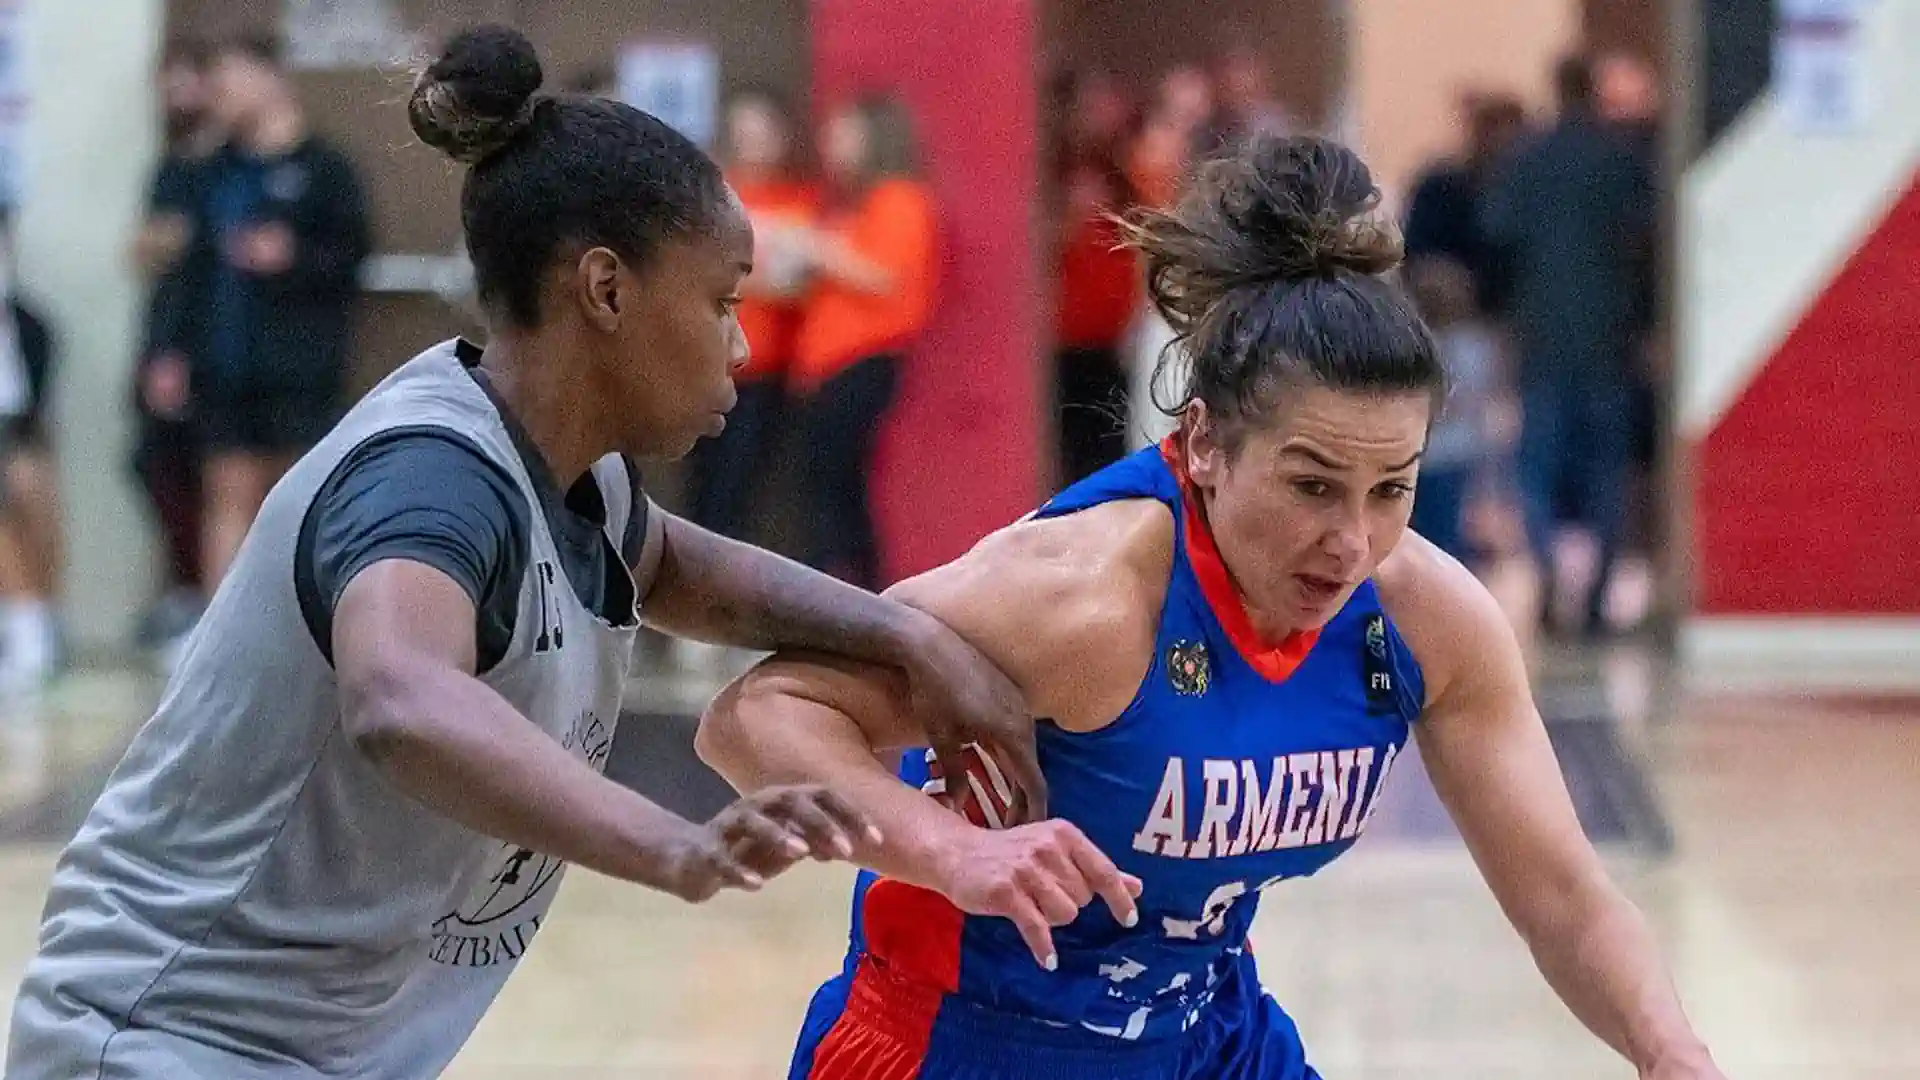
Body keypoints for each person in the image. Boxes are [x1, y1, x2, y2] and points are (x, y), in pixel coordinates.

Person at [4, 25, 1041, 1079]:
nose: (737, 342)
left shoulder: (580, 473)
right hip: (162, 1044)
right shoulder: (430, 478)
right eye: (721, 300)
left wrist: (912, 636)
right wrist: (667, 842)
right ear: (605, 291)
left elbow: (682, 568)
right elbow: (398, 698)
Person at [698, 135, 1728, 1080]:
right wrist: (951, 853)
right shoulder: (1081, 596)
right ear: (1202, 446)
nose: (1352, 540)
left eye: (1391, 489)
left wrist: (1669, 1051)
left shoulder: (1421, 616)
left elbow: (1566, 899)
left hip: (1206, 1036)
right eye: (1312, 485)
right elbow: (750, 723)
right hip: (965, 1044)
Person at [194, 36, 372, 591]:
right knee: (226, 495)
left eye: (229, 82)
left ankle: (306, 630)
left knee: (304, 500)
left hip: (300, 363)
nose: (218, 97)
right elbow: (190, 269)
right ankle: (215, 633)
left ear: (270, 78)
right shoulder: (214, 170)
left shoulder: (326, 169)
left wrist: (291, 256)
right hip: (227, 360)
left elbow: (351, 259)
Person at [785, 94, 939, 590]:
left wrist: (813, 244)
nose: (831, 144)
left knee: (829, 490)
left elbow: (883, 278)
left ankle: (830, 598)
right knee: (839, 489)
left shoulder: (902, 199)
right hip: (828, 370)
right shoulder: (859, 205)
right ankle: (869, 597)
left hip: (863, 364)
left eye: (844, 133)